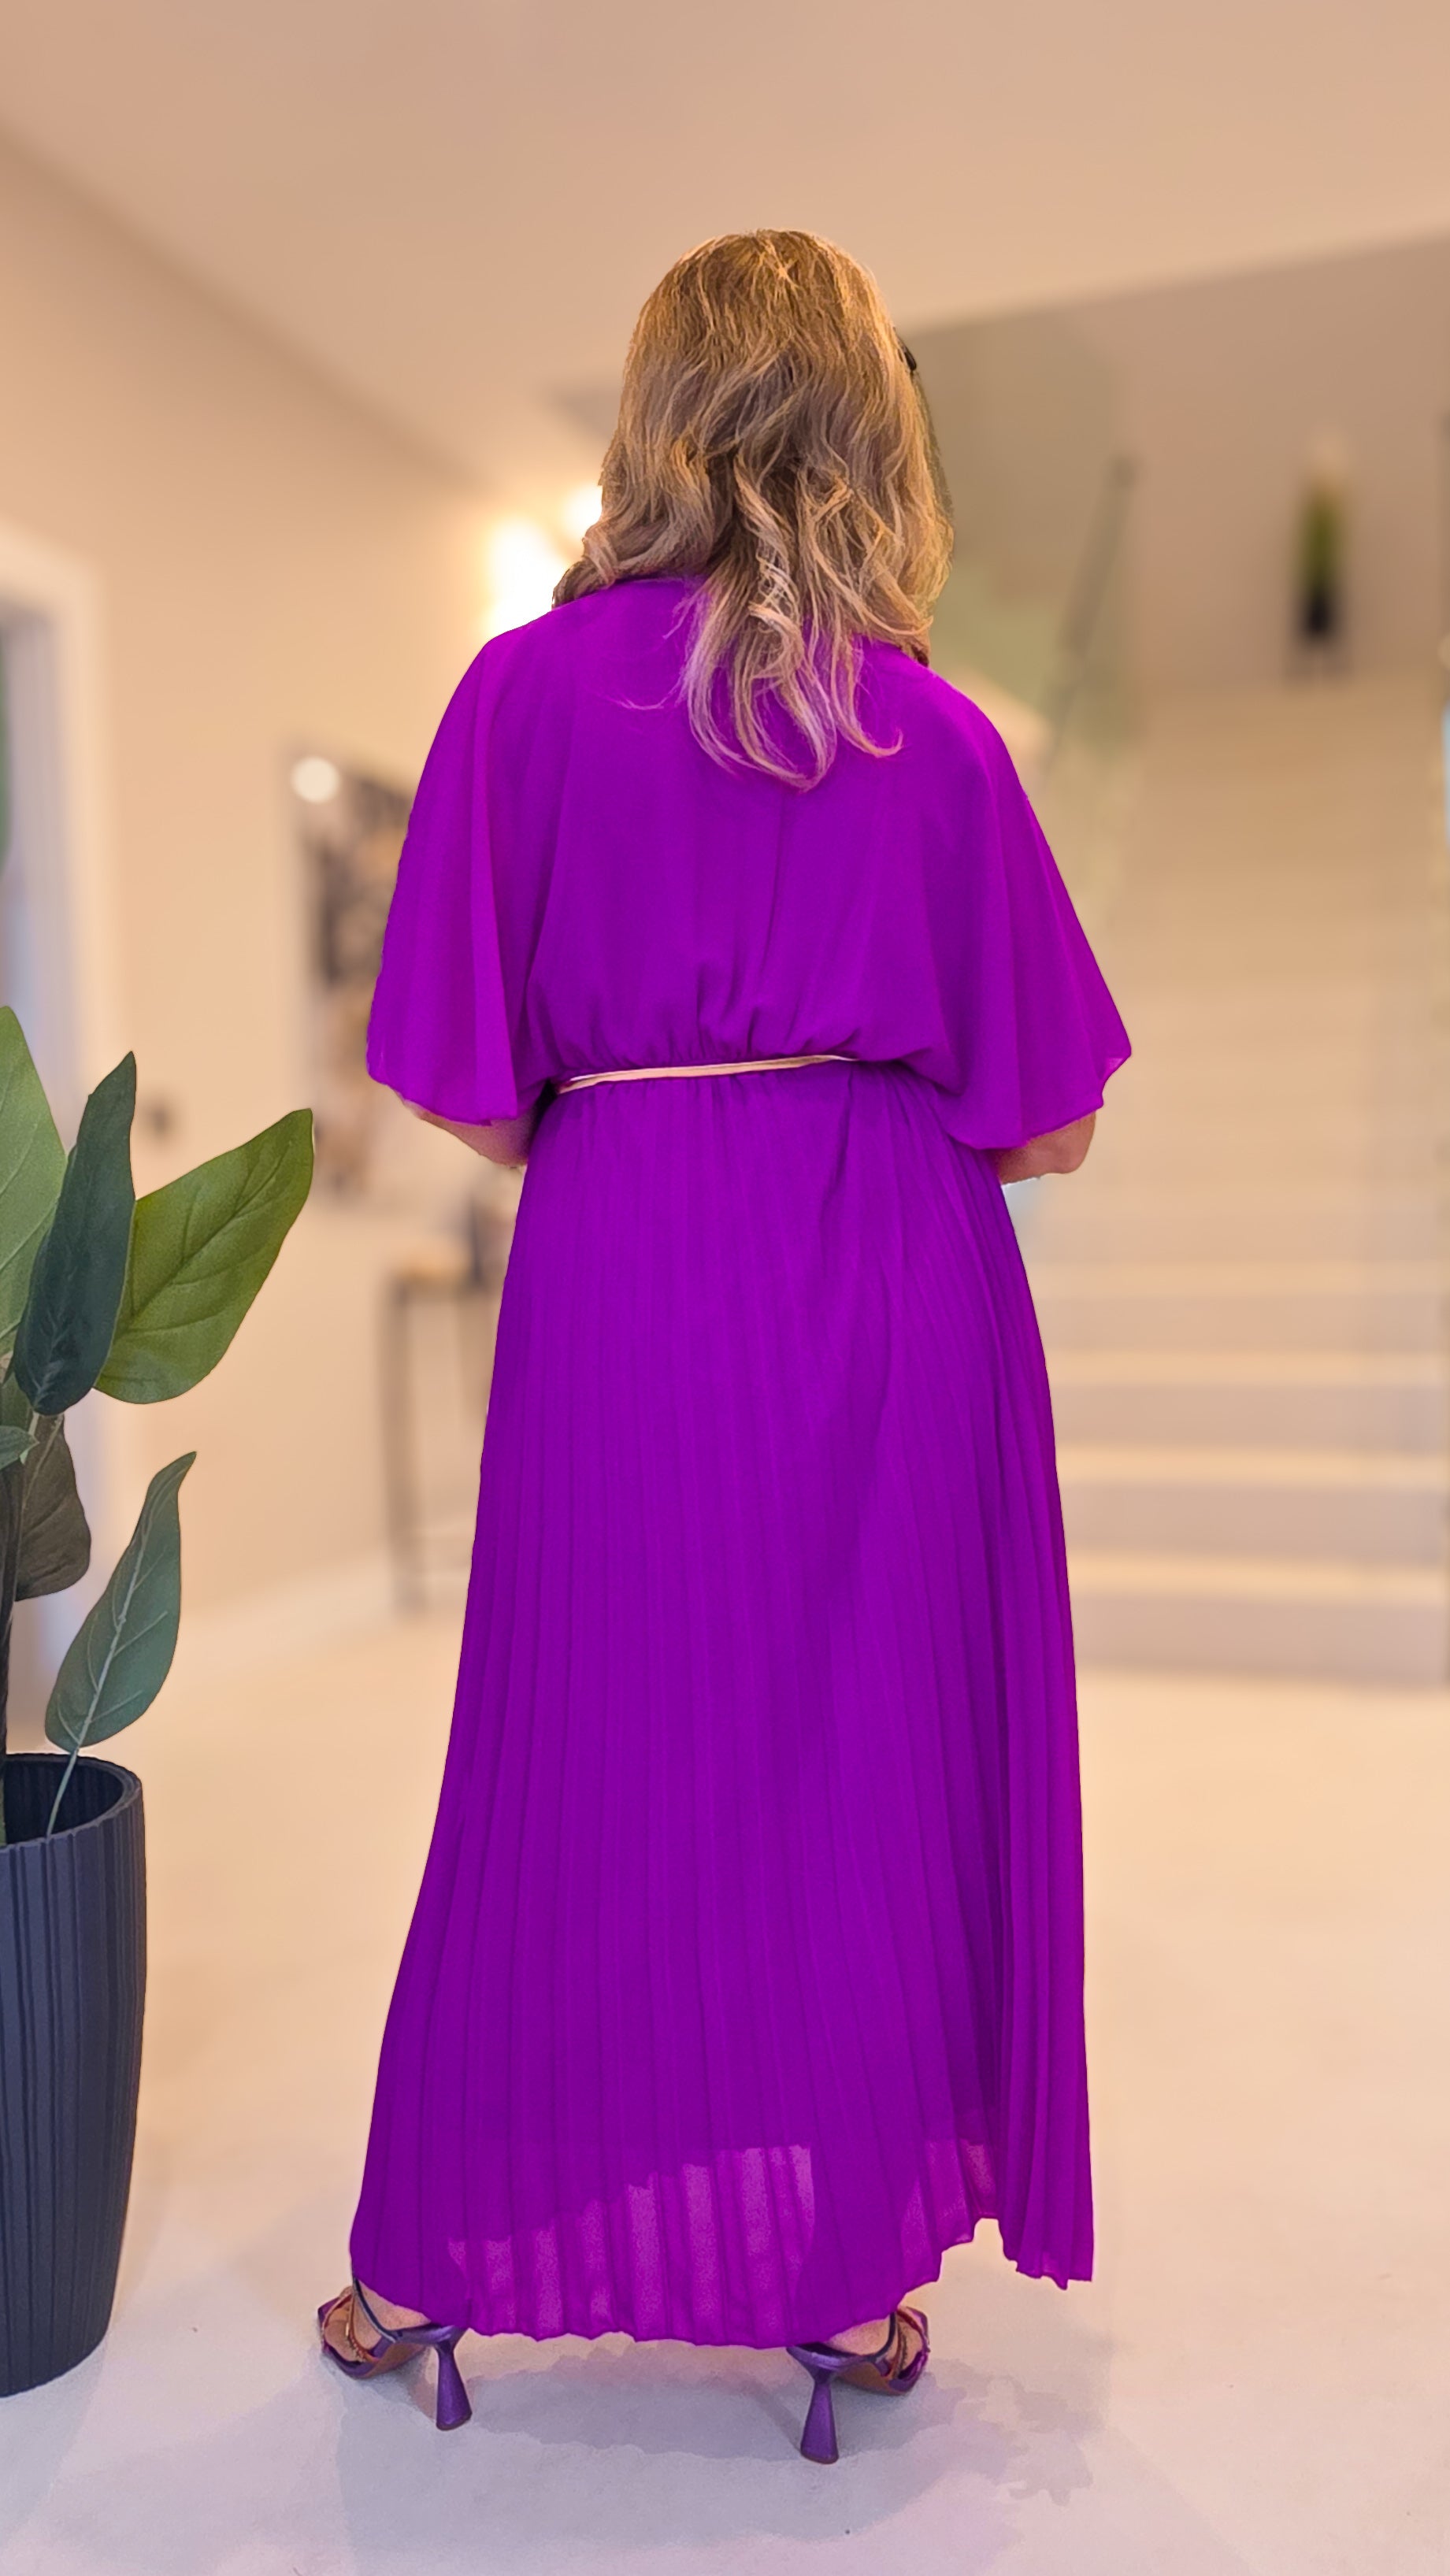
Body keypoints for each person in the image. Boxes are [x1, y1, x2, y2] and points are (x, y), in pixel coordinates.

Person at [319, 228, 1129, 2466]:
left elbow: (467, 1082)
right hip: (891, 1280)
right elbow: (1049, 1119)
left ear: (653, 416)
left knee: (570, 1747)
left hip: (621, 1265)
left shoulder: (517, 699)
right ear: (869, 424)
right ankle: (846, 2273)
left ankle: (432, 2261)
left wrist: (639, 1134)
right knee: (863, 1765)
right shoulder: (931, 735)